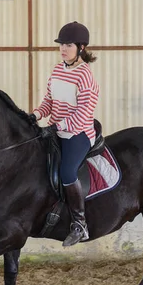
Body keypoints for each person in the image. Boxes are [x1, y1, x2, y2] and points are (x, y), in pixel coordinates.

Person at [31, 21, 100, 247]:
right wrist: (36, 114)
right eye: (61, 44)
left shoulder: (85, 76)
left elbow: (83, 114)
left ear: (81, 47)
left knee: (67, 171)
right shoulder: (58, 69)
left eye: (68, 45)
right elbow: (49, 100)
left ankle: (80, 224)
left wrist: (57, 126)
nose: (63, 49)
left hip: (77, 133)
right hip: (55, 129)